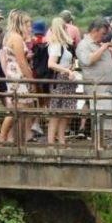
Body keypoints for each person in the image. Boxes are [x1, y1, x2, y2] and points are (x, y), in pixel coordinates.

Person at [77, 18, 112, 144]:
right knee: (100, 120)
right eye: (103, 33)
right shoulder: (83, 45)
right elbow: (88, 60)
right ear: (95, 31)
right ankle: (99, 147)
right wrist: (103, 47)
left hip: (109, 89)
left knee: (108, 120)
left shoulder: (99, 44)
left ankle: (105, 145)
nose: (104, 36)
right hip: (98, 89)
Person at [0, 10, 34, 143]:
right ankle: (3, 137)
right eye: (27, 24)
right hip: (18, 75)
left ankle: (14, 137)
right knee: (17, 107)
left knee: (19, 107)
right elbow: (21, 61)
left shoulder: (10, 36)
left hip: (14, 74)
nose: (29, 28)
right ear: (21, 24)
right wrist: (31, 79)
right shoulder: (16, 38)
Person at [46, 17, 78, 145]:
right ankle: (51, 142)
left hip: (66, 79)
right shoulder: (56, 44)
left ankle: (61, 139)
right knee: (56, 112)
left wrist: (70, 69)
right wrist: (67, 71)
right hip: (60, 79)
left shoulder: (64, 45)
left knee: (65, 112)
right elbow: (51, 64)